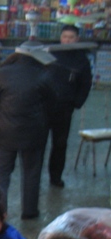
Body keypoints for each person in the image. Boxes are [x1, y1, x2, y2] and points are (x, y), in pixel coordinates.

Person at [0, 40, 57, 220]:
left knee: (1, 173)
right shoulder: (44, 75)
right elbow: (53, 103)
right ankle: (29, 211)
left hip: (5, 131)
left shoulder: (2, 73)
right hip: (33, 132)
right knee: (31, 173)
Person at [46, 24, 93, 188]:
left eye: (71, 37)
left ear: (77, 39)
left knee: (60, 144)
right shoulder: (50, 53)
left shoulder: (81, 60)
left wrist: (76, 102)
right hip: (44, 106)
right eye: (64, 37)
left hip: (65, 108)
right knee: (38, 143)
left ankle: (55, 177)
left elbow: (86, 84)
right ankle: (34, 178)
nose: (67, 40)